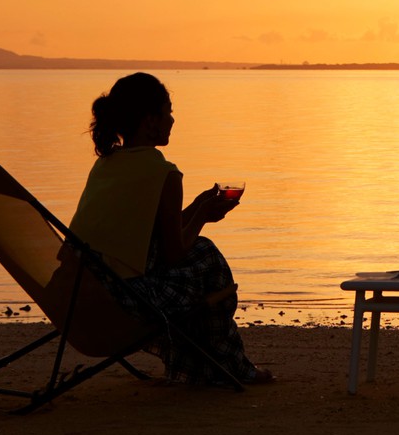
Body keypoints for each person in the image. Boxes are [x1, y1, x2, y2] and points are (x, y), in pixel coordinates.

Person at [66, 72, 270, 385]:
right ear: (150, 120)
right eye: (169, 111)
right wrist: (201, 214)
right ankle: (227, 365)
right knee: (206, 255)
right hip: (124, 303)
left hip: (77, 294)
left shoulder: (107, 165)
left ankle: (205, 366)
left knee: (199, 253)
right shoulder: (164, 173)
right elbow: (173, 253)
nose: (173, 120)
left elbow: (149, 233)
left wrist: (197, 208)